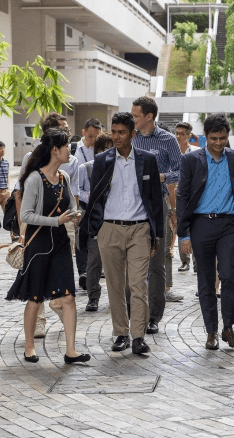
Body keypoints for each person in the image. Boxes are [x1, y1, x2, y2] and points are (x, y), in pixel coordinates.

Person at [80, 112, 163, 354]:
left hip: (139, 229)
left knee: (138, 285)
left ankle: (138, 337)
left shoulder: (147, 160)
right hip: (110, 229)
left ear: (133, 134)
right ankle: (121, 333)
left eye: (122, 132)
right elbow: (95, 197)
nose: (116, 137)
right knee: (115, 285)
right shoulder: (103, 160)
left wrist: (155, 234)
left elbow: (155, 199)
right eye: (114, 132)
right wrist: (97, 229)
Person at [5, 128, 89, 365]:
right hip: (39, 245)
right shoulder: (34, 179)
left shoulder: (64, 178)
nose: (70, 153)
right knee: (35, 298)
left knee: (69, 297)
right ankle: (29, 346)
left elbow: (71, 204)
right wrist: (56, 221)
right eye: (66, 148)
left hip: (61, 243)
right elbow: (27, 216)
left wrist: (76, 215)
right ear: (55, 150)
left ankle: (71, 350)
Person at [176, 114, 234, 350]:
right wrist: (183, 234)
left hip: (228, 225)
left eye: (223, 138)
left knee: (228, 275)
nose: (219, 143)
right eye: (214, 138)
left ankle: (229, 328)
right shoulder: (192, 160)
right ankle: (211, 331)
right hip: (201, 225)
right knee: (205, 280)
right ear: (205, 137)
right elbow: (183, 196)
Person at [15, 112, 79, 338]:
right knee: (36, 283)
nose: (68, 134)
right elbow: (20, 194)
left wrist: (73, 216)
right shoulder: (33, 164)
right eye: (63, 130)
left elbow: (73, 196)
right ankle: (38, 324)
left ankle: (59, 302)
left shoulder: (70, 164)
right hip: (40, 228)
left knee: (61, 274)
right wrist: (24, 229)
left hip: (64, 226)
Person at [131, 96, 183, 333]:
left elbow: (180, 171)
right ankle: (133, 315)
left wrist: (161, 177)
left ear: (149, 117)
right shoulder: (129, 138)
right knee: (129, 262)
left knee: (156, 260)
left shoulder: (167, 140)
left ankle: (154, 317)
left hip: (156, 202)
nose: (133, 119)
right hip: (128, 203)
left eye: (136, 116)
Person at [76, 132, 112, 312]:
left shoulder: (118, 169)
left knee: (115, 263)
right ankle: (93, 297)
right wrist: (88, 196)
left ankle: (117, 297)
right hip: (94, 220)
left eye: (109, 149)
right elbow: (78, 191)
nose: (105, 153)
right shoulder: (86, 168)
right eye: (102, 149)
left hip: (114, 221)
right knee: (94, 262)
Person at [73, 119, 103, 287]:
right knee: (82, 238)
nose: (93, 141)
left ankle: (95, 268)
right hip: (82, 202)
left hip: (101, 204)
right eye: (91, 136)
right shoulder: (74, 150)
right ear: (83, 132)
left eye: (96, 137)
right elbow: (74, 183)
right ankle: (83, 271)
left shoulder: (102, 150)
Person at [174, 122, 200, 273]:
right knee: (180, 224)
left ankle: (198, 261)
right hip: (176, 194)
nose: (179, 136)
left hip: (193, 195)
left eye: (182, 133)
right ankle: (185, 261)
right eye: (177, 133)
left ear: (189, 136)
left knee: (196, 227)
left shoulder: (197, 152)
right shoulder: (172, 152)